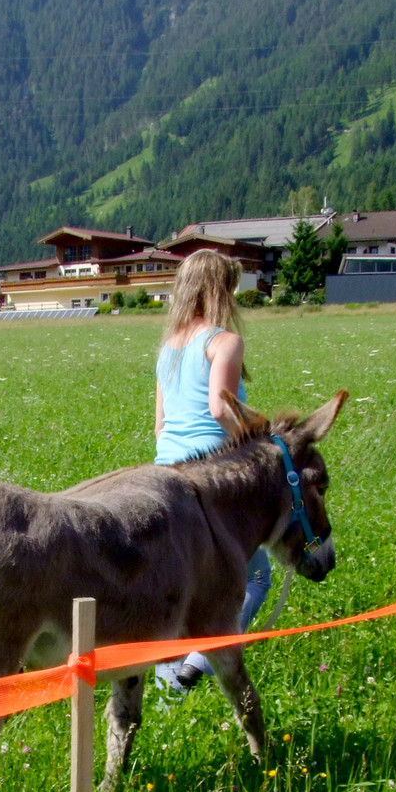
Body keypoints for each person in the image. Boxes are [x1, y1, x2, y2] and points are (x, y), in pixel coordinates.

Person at [153, 249, 272, 691]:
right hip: (213, 476)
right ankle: (192, 668)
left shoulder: (168, 348)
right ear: (222, 289)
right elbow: (220, 407)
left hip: (167, 472)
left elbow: (161, 425)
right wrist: (264, 434)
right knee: (257, 577)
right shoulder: (224, 342)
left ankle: (167, 666)